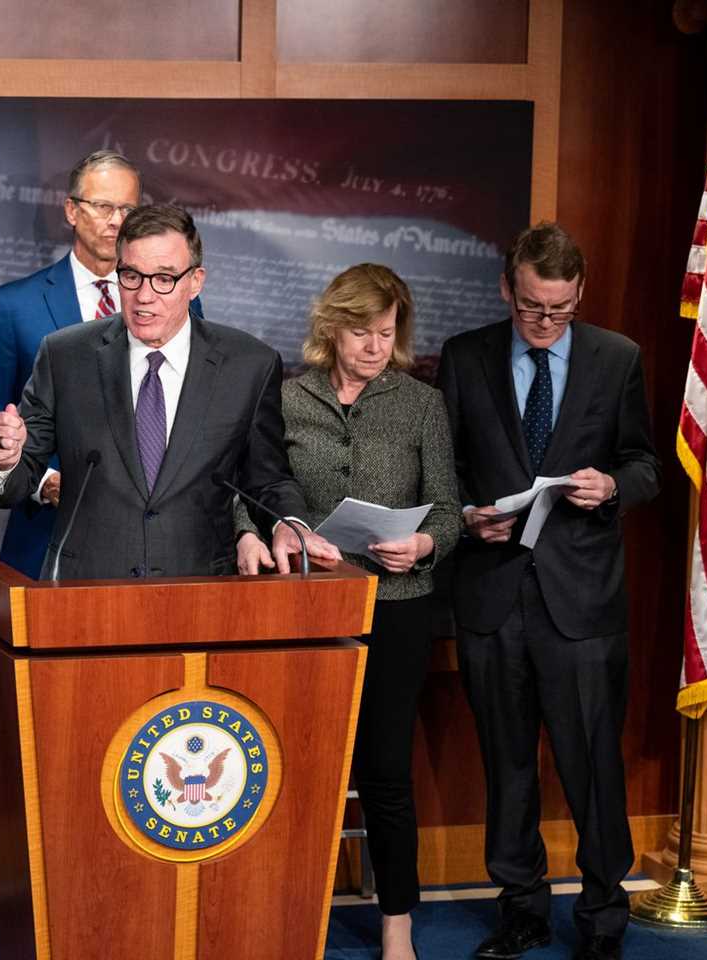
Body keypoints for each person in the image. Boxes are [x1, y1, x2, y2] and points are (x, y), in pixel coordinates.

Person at [437, 223, 659, 960]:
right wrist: (467, 515)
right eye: (531, 307)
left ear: (580, 294)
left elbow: (645, 465)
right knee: (507, 764)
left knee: (593, 764)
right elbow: (449, 468)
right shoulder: (466, 357)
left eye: (559, 310)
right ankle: (522, 909)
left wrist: (612, 486)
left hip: (582, 602)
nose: (543, 323)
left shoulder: (615, 358)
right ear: (508, 288)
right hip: (494, 595)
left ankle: (601, 918)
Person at [234, 263, 460, 960]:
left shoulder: (421, 404)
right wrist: (264, 529)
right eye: (362, 333)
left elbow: (449, 510)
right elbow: (251, 490)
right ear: (331, 329)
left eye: (387, 334)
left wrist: (420, 542)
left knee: (385, 771)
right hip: (305, 609)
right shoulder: (284, 398)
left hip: (396, 607)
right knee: (292, 766)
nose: (374, 347)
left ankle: (398, 925)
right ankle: (282, 911)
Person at [0, 203, 337, 579]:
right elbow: (10, 486)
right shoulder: (65, 356)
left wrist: (288, 523)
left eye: (164, 278)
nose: (144, 295)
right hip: (86, 594)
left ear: (196, 281)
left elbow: (268, 478)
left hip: (198, 591)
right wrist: (6, 460)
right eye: (131, 275)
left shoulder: (248, 365)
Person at [0, 150, 141, 577]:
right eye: (102, 206)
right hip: (50, 539)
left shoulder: (171, 302)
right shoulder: (15, 307)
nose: (115, 220)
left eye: (128, 209)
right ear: (71, 210)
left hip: (153, 547)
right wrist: (42, 482)